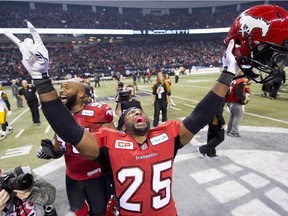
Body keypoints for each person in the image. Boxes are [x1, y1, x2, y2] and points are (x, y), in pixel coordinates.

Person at [7, 7, 288, 213]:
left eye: (138, 111)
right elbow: (67, 128)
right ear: (122, 126)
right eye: (129, 113)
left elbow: (201, 115)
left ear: (149, 121)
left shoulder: (168, 135)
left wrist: (228, 73)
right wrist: (40, 78)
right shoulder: (108, 143)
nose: (134, 112)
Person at [36, 80, 115, 216]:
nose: (62, 90)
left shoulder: (97, 113)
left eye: (67, 87)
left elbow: (113, 145)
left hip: (96, 176)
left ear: (80, 94)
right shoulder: (62, 118)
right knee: (78, 211)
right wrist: (51, 153)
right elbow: (59, 147)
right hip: (72, 176)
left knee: (100, 212)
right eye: (60, 87)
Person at [225, 70, 250, 137]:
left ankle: (228, 130)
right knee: (239, 116)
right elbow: (238, 91)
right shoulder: (240, 81)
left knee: (232, 116)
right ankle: (234, 131)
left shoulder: (234, 81)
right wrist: (243, 99)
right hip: (235, 101)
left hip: (230, 101)